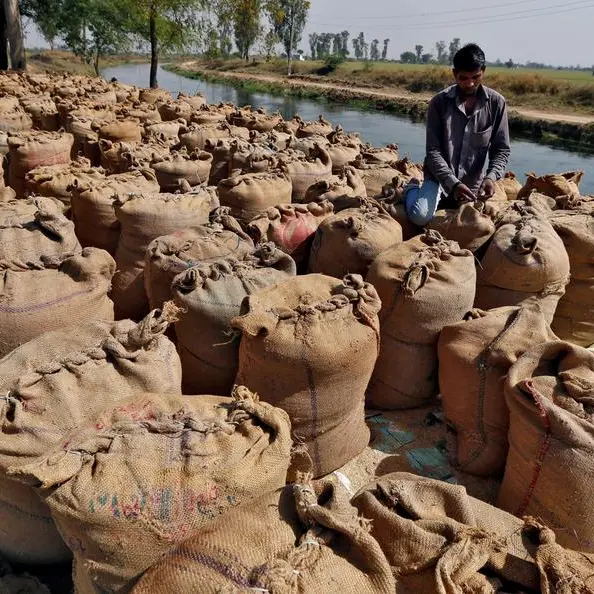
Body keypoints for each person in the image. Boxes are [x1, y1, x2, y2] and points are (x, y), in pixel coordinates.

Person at [405, 43, 511, 226]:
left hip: (472, 184)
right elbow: (433, 152)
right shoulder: (439, 103)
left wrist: (491, 177)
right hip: (439, 178)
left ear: (483, 71)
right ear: (454, 74)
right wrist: (453, 184)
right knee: (420, 216)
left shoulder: (496, 103)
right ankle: (411, 188)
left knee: (480, 225)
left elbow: (501, 149)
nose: (469, 83)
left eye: (475, 77)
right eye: (463, 78)